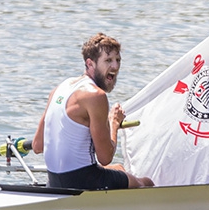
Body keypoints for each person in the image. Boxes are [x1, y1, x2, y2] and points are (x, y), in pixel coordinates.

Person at [32, 33, 154, 190]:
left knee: (119, 169)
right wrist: (114, 123)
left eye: (118, 60)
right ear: (90, 64)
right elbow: (105, 157)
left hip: (54, 181)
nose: (115, 67)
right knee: (146, 182)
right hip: (84, 181)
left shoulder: (59, 88)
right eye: (108, 60)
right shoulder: (96, 96)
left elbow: (37, 145)